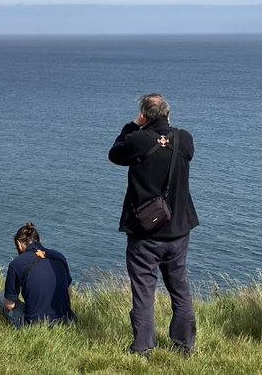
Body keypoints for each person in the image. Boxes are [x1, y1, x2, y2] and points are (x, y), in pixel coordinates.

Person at [109, 93, 199, 356]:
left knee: (144, 291)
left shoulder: (137, 140)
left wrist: (133, 125)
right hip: (178, 230)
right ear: (168, 113)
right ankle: (184, 346)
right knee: (180, 288)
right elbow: (184, 154)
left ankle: (144, 347)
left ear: (144, 115)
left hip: (144, 232)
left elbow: (115, 154)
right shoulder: (185, 140)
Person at [0, 222, 76, 328]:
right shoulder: (59, 257)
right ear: (39, 240)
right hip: (66, 321)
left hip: (35, 325)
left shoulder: (16, 264)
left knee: (2, 297)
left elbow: (10, 305)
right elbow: (69, 294)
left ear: (19, 244)